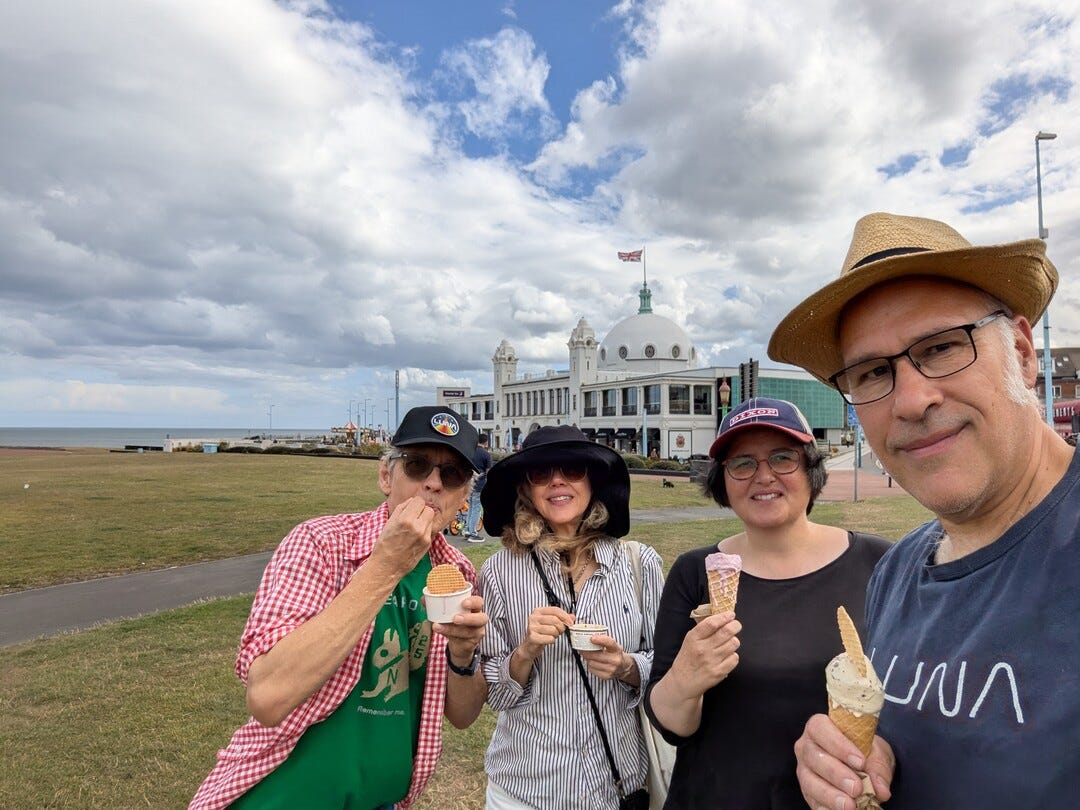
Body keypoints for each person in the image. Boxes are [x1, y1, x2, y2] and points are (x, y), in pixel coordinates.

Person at [768, 212, 1079, 809]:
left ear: (1019, 351)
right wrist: (862, 765)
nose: (911, 400)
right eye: (873, 373)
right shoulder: (898, 571)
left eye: (940, 348)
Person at [190, 406, 490, 810]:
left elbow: (462, 714)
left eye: (452, 474)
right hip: (280, 795)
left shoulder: (458, 572)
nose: (434, 484)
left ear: (464, 496)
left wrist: (462, 653)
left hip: (382, 800)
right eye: (418, 465)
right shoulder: (320, 543)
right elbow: (267, 697)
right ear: (386, 476)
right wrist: (385, 566)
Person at [644, 398, 890, 808]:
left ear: (811, 468)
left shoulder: (879, 563)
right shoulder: (695, 572)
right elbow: (671, 726)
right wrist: (685, 680)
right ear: (723, 481)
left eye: (782, 458)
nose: (764, 476)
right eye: (742, 464)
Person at [477, 425, 664, 808]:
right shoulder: (498, 572)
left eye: (572, 470)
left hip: (617, 786)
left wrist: (626, 666)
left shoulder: (640, 564)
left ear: (592, 480)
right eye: (540, 474)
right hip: (526, 790)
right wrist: (524, 652)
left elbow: (669, 667)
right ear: (526, 490)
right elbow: (492, 693)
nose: (557, 481)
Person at [465, 433, 493, 542]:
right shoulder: (486, 454)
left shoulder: (471, 452)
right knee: (476, 509)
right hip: (480, 485)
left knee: (471, 507)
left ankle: (467, 529)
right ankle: (473, 533)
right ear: (486, 443)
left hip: (469, 484)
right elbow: (489, 472)